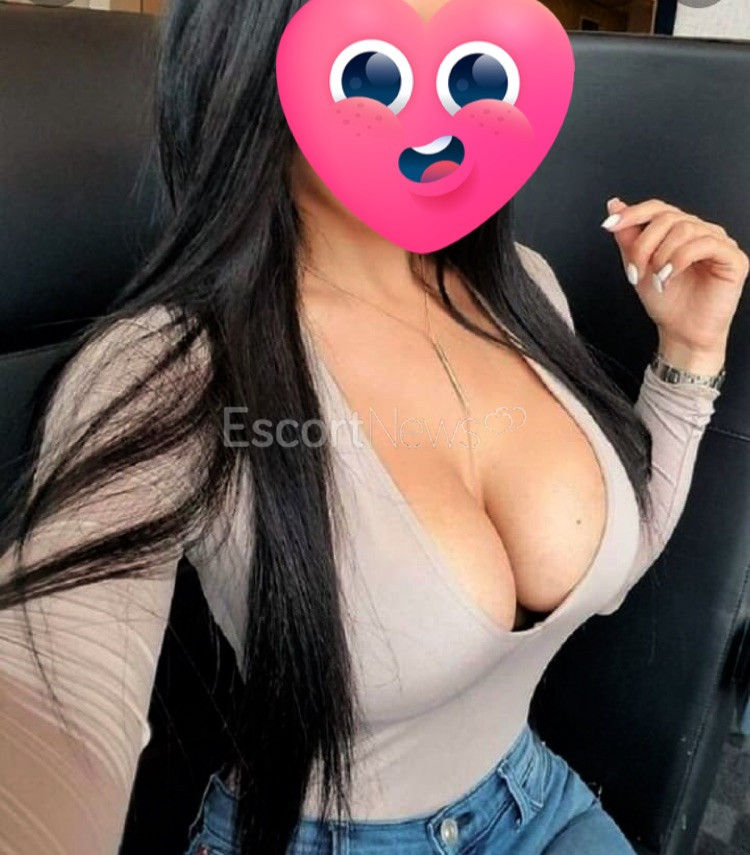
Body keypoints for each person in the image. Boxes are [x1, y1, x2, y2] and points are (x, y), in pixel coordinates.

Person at [0, 0, 747, 854]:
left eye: (471, 69)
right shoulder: (165, 370)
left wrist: (690, 354)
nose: (436, 115)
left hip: (538, 802)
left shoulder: (526, 289)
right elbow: (49, 704)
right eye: (374, 70)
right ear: (255, 58)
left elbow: (608, 572)